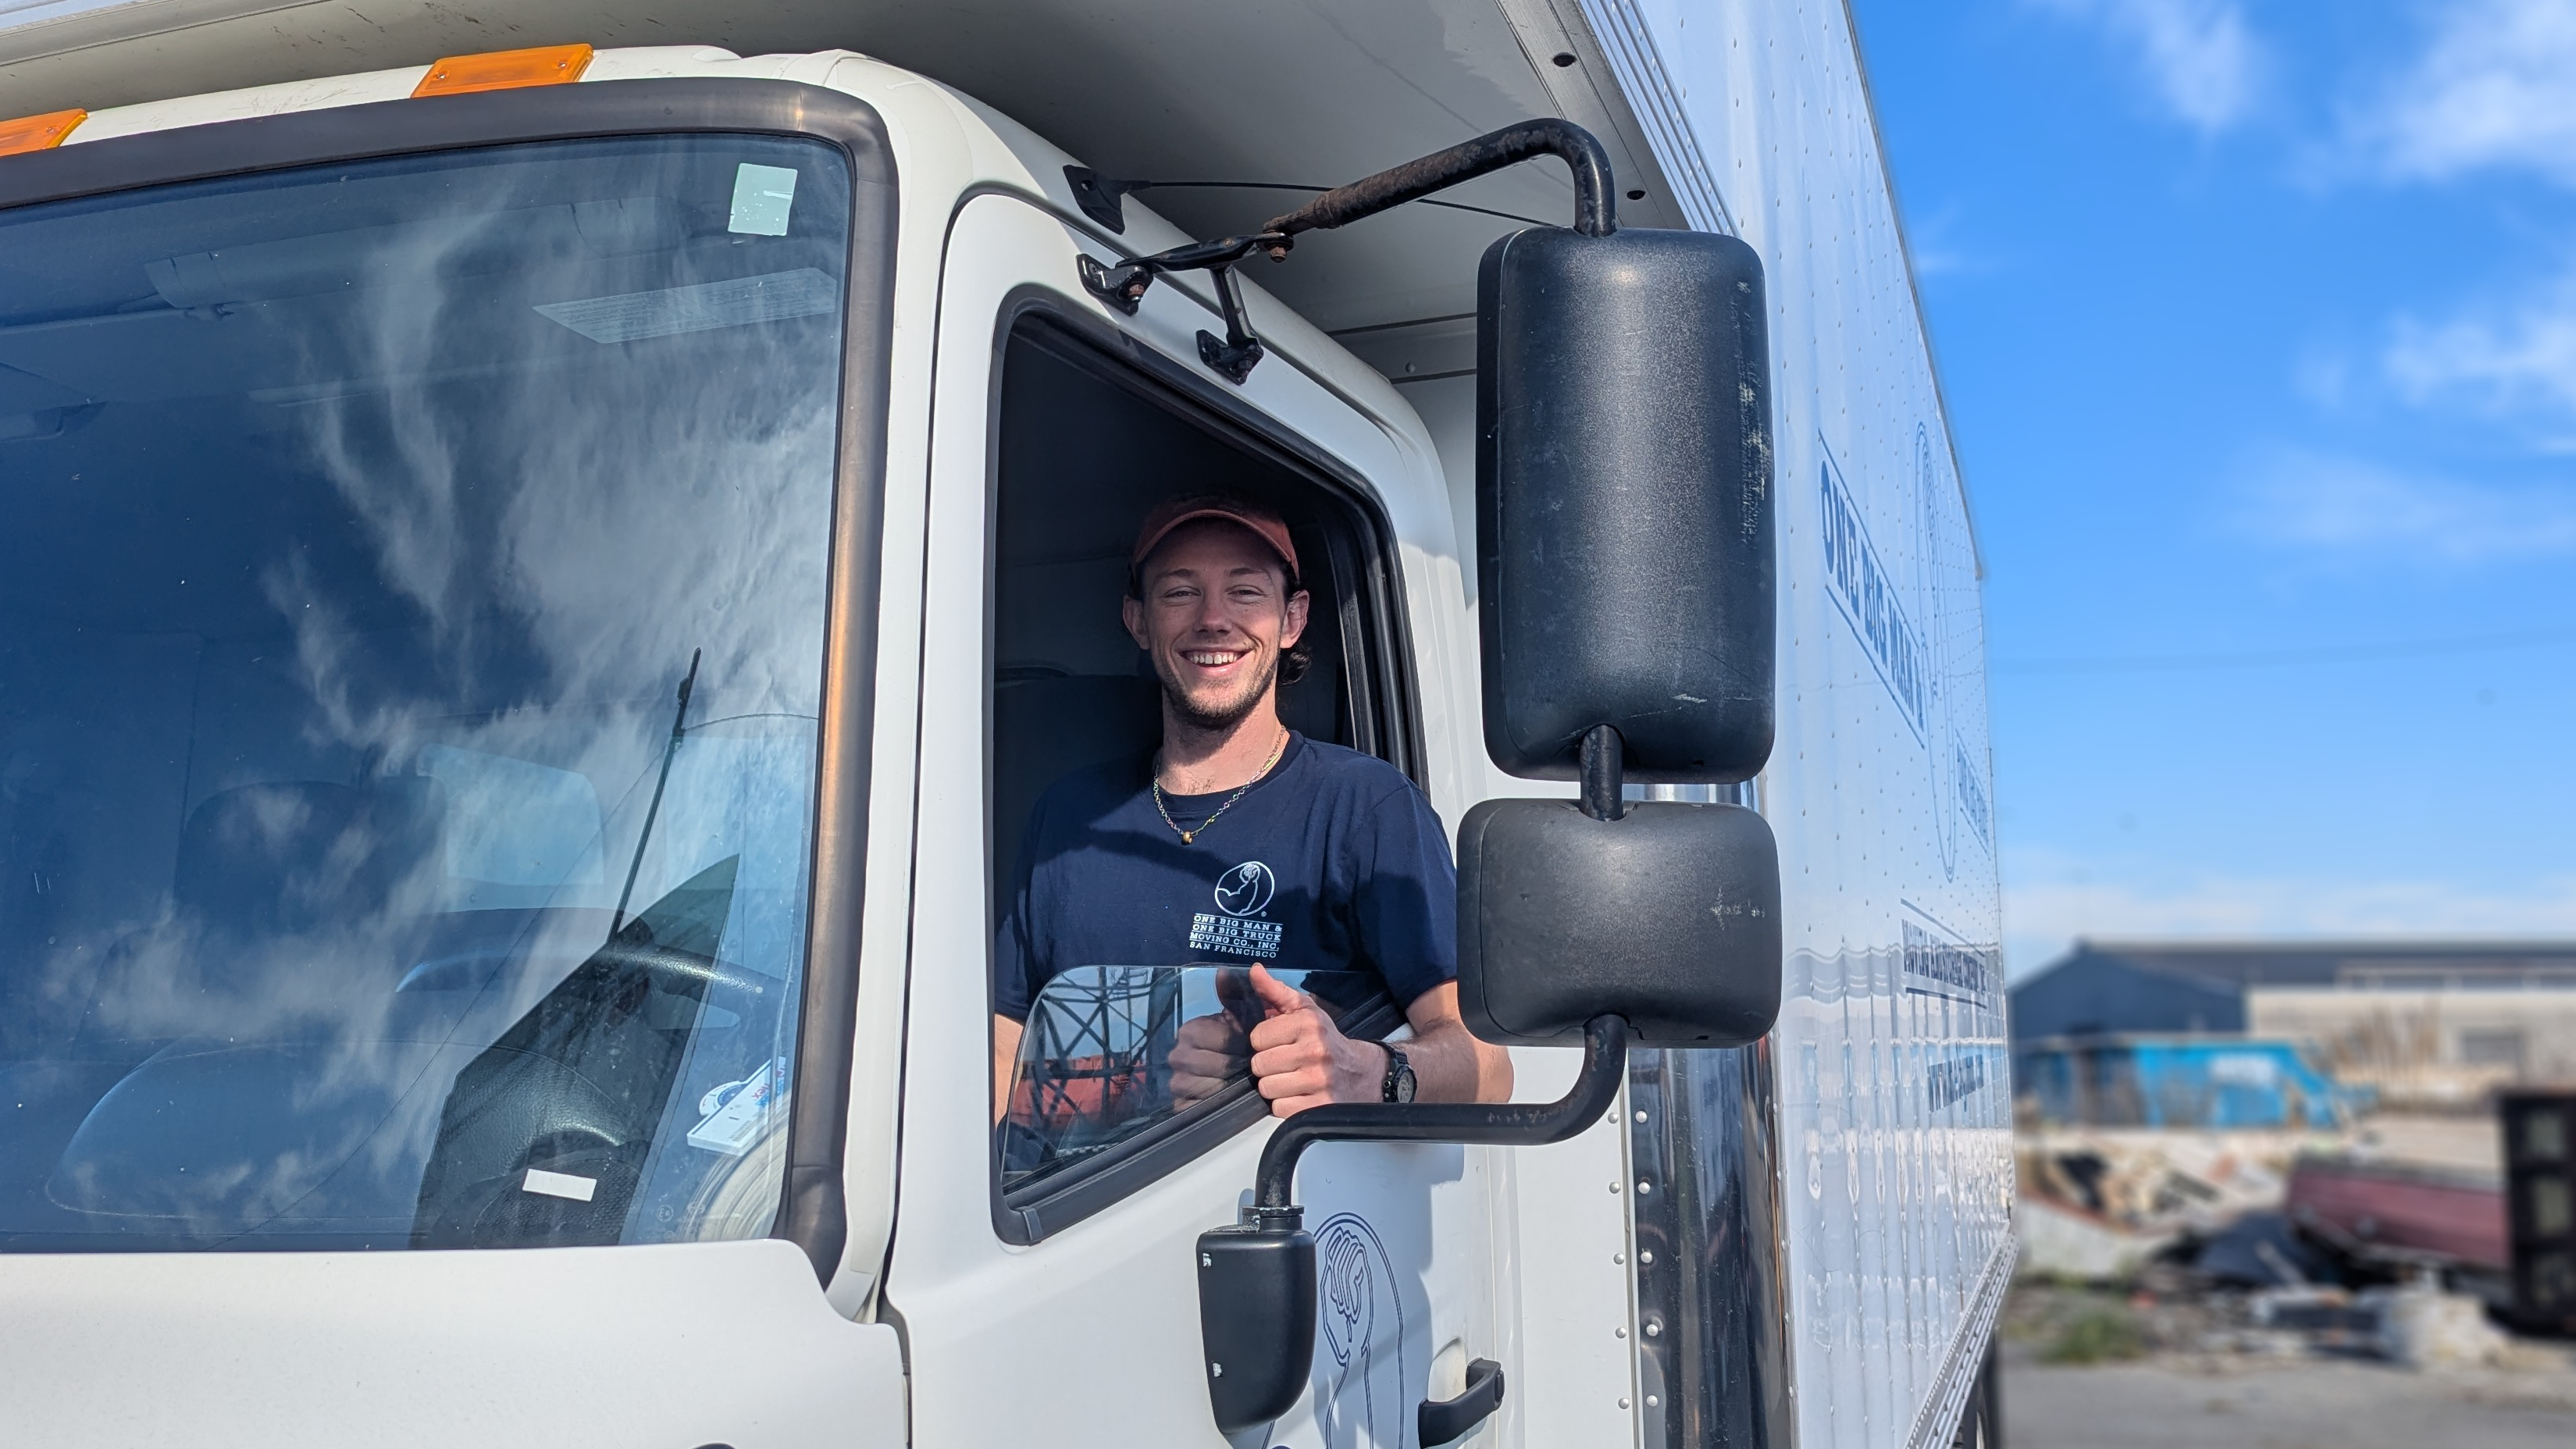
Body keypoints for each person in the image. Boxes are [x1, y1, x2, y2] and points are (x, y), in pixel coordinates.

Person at [992, 493, 1512, 1120]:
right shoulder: (1069, 819)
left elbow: (1488, 1063)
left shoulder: (1366, 807)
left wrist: (1367, 1070)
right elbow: (1002, 1054)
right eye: (1180, 593)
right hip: (1077, 1208)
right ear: (1137, 619)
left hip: (1283, 1198)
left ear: (1292, 619)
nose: (1213, 619)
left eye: (1245, 593)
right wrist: (1144, 1085)